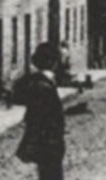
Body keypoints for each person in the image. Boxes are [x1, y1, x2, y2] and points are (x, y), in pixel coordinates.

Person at [14, 43, 65, 180]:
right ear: (53, 62)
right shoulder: (44, 86)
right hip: (49, 144)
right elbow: (40, 118)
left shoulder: (39, 82)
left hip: (47, 143)